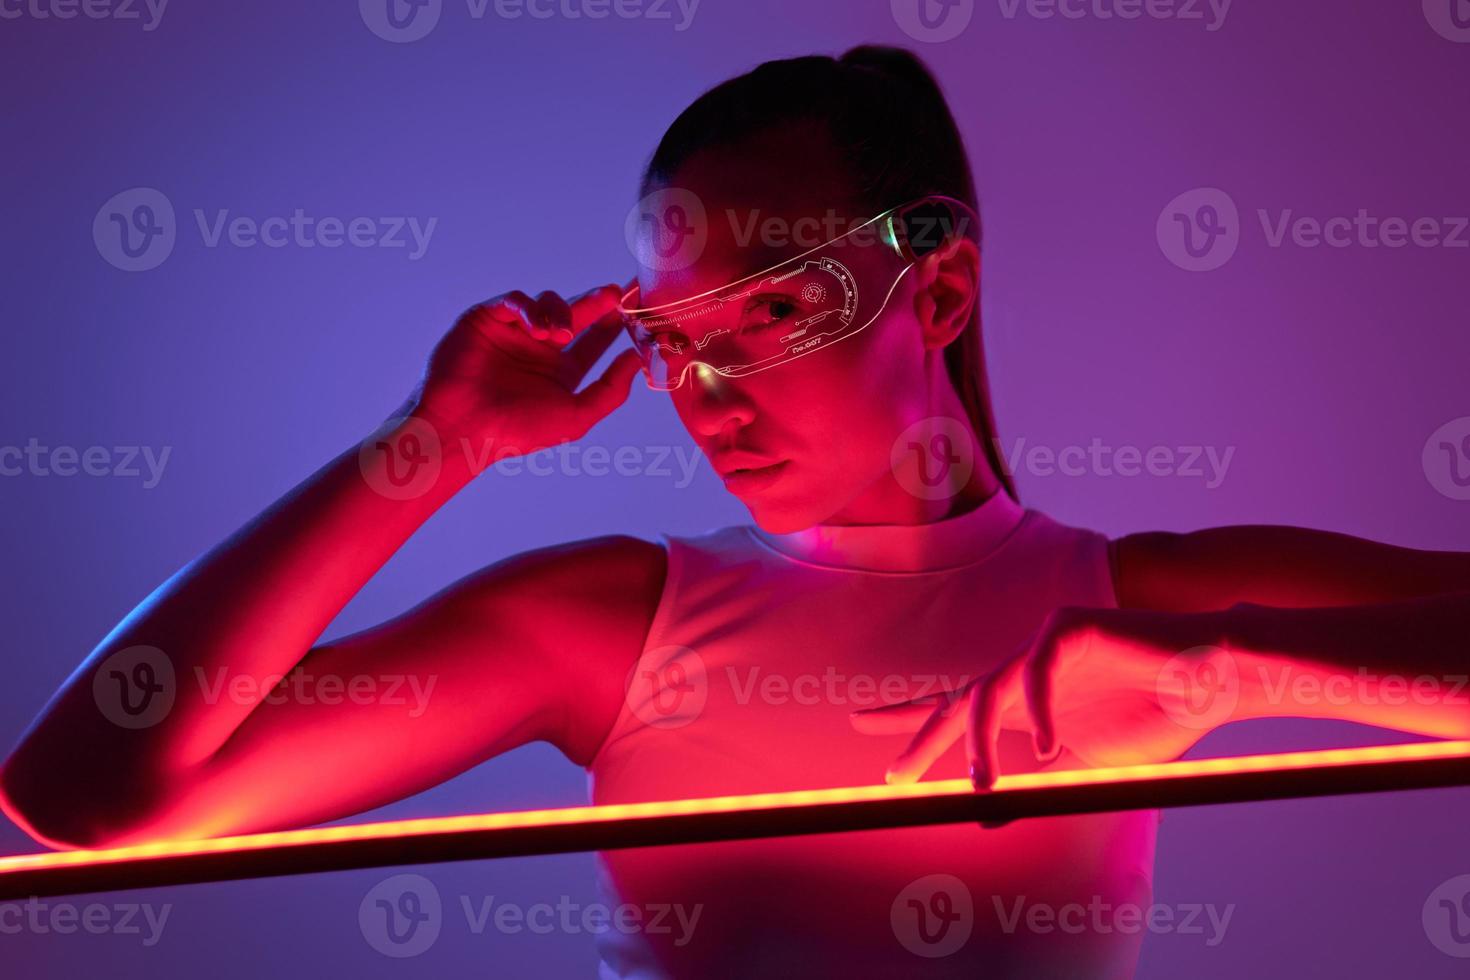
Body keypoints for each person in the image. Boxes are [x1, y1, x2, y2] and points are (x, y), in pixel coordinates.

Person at [3, 46, 1468, 979]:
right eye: (668, 334)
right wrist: (434, 441)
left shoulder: (1145, 592)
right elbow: (80, 799)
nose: (709, 385)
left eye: (772, 307)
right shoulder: (605, 622)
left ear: (937, 291)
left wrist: (1209, 668)